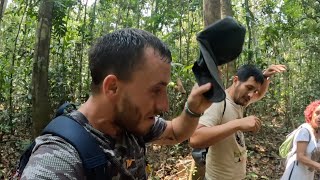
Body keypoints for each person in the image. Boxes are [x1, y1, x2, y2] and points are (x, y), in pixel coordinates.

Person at [20, 28, 213, 179]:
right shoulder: (59, 157)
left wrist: (193, 109)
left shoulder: (129, 122)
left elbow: (175, 133)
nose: (164, 105)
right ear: (112, 87)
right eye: (156, 90)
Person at [189, 64, 286, 180]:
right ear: (235, 80)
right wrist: (238, 124)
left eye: (254, 90)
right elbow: (195, 139)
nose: (251, 95)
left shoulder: (239, 101)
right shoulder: (219, 103)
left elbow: (259, 94)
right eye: (249, 87)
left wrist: (264, 77)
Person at [281, 100, 320, 180]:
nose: (319, 117)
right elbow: (300, 156)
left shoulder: (318, 132)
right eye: (317, 113)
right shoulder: (304, 131)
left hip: (308, 174)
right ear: (311, 114)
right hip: (295, 173)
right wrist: (318, 166)